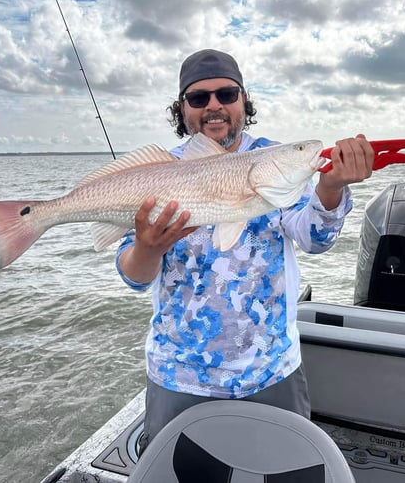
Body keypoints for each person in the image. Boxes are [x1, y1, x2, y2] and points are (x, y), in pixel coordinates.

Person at [115, 49, 374, 450]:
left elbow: (314, 239)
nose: (214, 106)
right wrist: (148, 250)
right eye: (199, 98)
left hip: (271, 372)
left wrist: (330, 187)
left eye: (226, 94)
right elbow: (133, 276)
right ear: (182, 109)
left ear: (243, 100)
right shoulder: (157, 172)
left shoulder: (274, 158)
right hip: (178, 375)